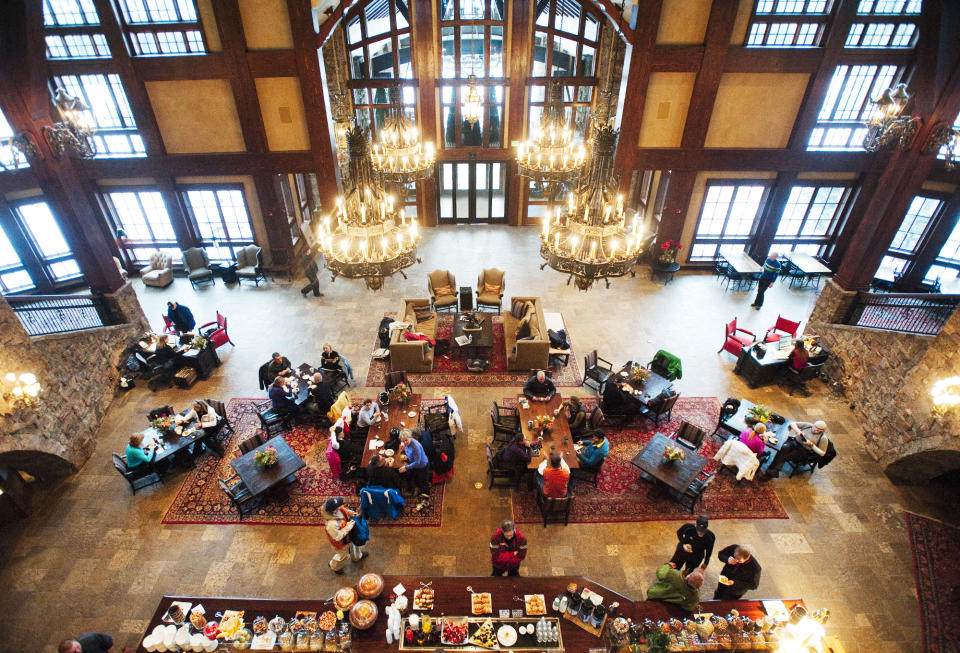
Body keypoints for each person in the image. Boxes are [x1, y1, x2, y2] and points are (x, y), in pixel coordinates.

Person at [762, 420, 829, 479]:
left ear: (822, 431)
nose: (815, 430)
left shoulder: (823, 439)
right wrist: (798, 431)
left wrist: (812, 445)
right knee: (783, 449)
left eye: (818, 430)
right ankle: (773, 471)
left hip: (804, 451)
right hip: (794, 442)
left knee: (783, 455)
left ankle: (772, 471)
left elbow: (822, 453)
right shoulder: (809, 426)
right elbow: (792, 424)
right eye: (815, 427)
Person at [322, 497, 367, 573]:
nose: (341, 505)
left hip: (348, 536)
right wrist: (348, 526)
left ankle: (357, 557)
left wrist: (350, 512)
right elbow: (337, 537)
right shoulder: (331, 524)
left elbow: (344, 510)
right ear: (334, 510)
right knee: (343, 555)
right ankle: (334, 566)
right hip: (341, 543)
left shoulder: (338, 509)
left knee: (354, 547)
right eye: (339, 505)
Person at [399, 429, 431, 509]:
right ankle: (419, 488)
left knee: (424, 483)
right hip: (415, 465)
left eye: (406, 440)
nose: (405, 442)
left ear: (410, 437)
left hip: (422, 466)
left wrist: (406, 468)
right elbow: (409, 451)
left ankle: (426, 498)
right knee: (417, 479)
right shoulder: (406, 443)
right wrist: (405, 450)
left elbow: (418, 462)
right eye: (403, 441)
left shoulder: (416, 447)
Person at [58, 633, 123, 653]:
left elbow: (108, 642)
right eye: (74, 652)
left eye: (77, 647)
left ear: (74, 641)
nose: (78, 651)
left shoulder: (91, 639)